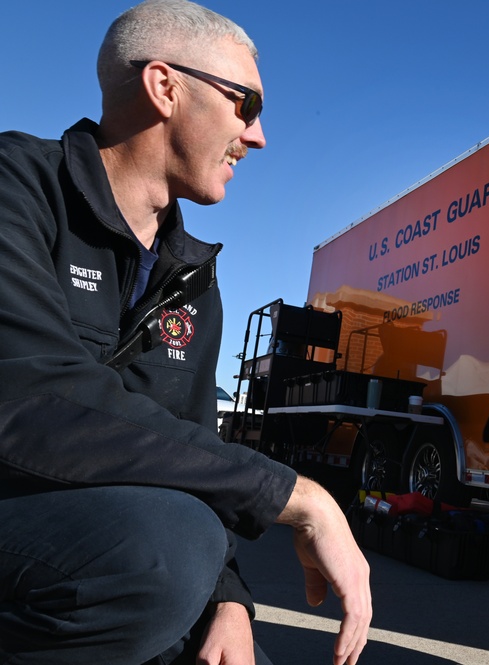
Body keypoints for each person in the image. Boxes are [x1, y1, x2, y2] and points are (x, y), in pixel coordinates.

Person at [0, 2, 370, 664]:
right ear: (165, 87)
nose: (256, 137)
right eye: (245, 104)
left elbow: (190, 452)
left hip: (87, 539)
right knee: (163, 553)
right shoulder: (16, 187)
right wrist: (299, 495)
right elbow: (27, 395)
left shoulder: (193, 281)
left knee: (215, 624)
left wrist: (229, 597)